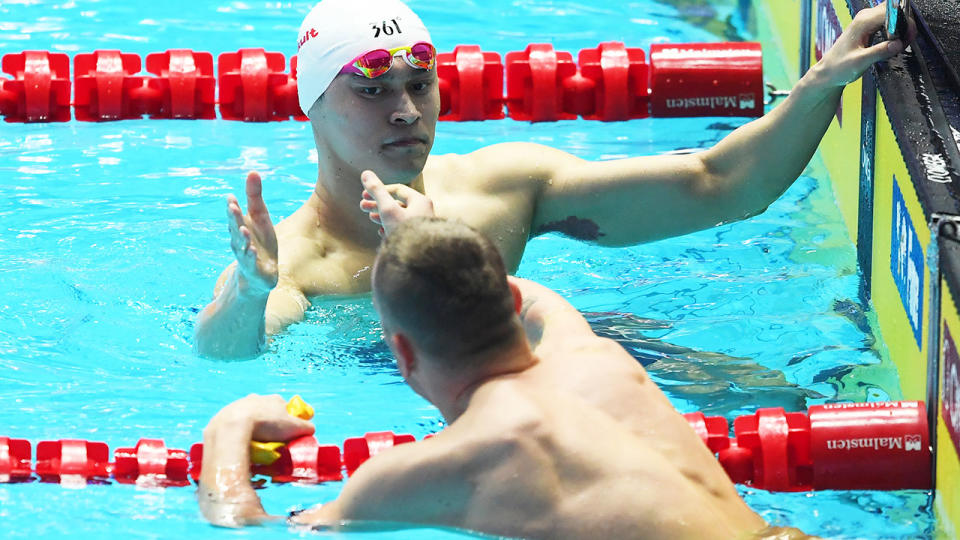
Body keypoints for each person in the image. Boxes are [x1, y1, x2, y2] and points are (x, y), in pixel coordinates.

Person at [193, 0, 915, 358]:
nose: (407, 111)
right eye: (374, 92)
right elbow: (227, 351)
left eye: (422, 84)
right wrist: (250, 294)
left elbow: (718, 185)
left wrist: (818, 85)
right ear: (309, 103)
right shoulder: (301, 262)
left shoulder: (502, 188)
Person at [198, 203, 811, 538]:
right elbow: (542, 301)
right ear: (508, 302)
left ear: (402, 353)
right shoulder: (592, 353)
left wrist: (227, 433)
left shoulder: (442, 466)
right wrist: (430, 238)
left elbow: (251, 527)